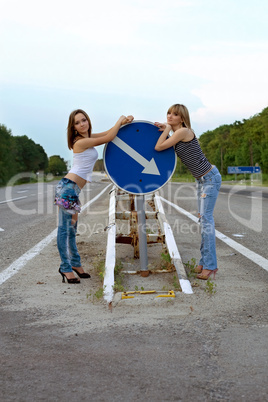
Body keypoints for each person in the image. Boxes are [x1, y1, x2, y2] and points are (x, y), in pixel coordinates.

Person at [55, 109, 134, 283]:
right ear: (73, 127)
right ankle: (65, 267)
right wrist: (120, 118)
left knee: (72, 229)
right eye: (77, 122)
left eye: (84, 120)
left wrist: (122, 124)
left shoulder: (86, 138)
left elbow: (108, 132)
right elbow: (108, 138)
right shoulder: (79, 142)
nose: (82, 124)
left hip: (73, 190)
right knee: (64, 230)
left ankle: (75, 264)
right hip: (67, 188)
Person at [154, 104, 221, 280]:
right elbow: (166, 141)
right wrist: (166, 128)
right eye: (168, 113)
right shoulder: (177, 133)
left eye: (174, 114)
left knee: (207, 221)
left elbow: (159, 147)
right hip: (202, 181)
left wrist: (166, 128)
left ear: (182, 118)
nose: (170, 116)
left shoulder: (183, 131)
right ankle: (204, 262)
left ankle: (210, 266)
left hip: (210, 179)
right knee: (203, 220)